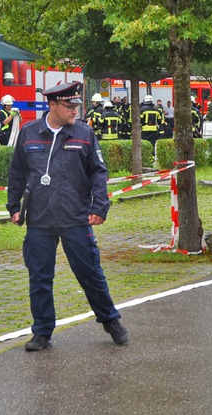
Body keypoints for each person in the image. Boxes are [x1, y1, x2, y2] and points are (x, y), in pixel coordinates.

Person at [7, 80, 129, 352]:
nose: (75, 110)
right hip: (39, 220)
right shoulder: (29, 133)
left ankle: (111, 320)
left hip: (75, 217)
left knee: (91, 274)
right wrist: (13, 206)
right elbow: (16, 172)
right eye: (69, 106)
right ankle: (41, 332)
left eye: (77, 105)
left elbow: (99, 172)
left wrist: (99, 207)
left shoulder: (84, 134)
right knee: (39, 278)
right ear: (52, 105)